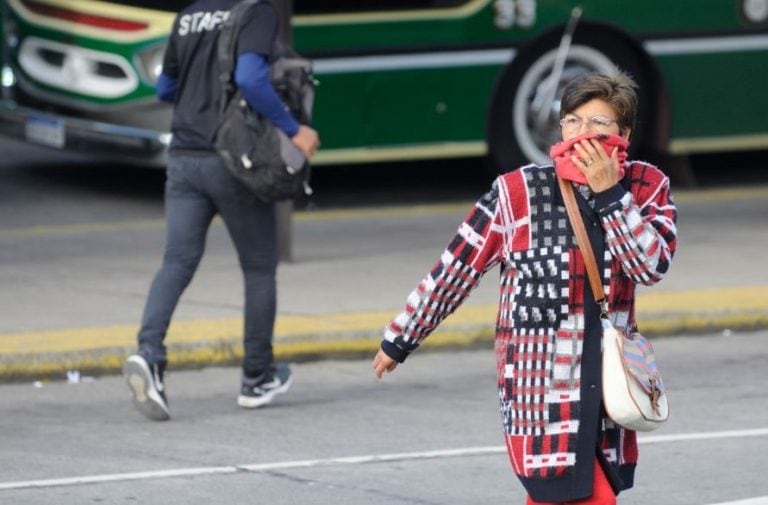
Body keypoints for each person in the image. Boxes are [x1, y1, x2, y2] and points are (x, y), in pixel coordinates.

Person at [372, 71, 677, 504]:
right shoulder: (517, 192)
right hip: (544, 389)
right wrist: (400, 338)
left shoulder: (647, 187)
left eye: (598, 125)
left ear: (624, 134)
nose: (581, 135)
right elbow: (456, 268)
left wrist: (611, 195)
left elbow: (649, 266)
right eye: (572, 122)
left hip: (610, 388)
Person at [123, 0, 320, 421]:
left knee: (176, 261)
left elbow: (164, 89)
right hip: (233, 159)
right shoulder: (256, 11)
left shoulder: (189, 14)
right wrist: (293, 128)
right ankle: (257, 376)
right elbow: (250, 78)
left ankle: (149, 354)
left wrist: (199, 97)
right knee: (259, 265)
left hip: (183, 158)